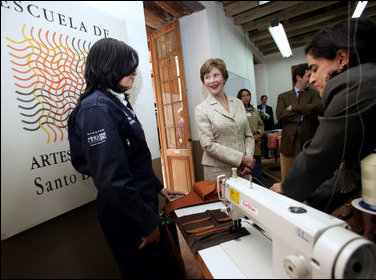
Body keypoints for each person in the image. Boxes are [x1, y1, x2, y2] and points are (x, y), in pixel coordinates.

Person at [270, 18, 376, 266]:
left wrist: (286, 191)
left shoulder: (354, 82)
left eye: (315, 68)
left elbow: (320, 154)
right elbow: (353, 171)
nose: (310, 79)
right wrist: (311, 199)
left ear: (341, 59)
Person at [67, 38, 185, 278]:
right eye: (127, 66)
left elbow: (133, 159)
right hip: (127, 214)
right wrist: (145, 223)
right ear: (108, 67)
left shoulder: (115, 102)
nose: (133, 72)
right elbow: (111, 179)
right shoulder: (96, 108)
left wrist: (157, 187)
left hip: (140, 203)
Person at [195, 58, 255, 180]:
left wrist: (248, 160)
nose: (212, 81)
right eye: (207, 77)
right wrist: (241, 159)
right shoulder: (201, 109)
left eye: (216, 75)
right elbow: (208, 145)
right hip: (217, 172)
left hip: (243, 170)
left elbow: (248, 135)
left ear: (224, 77)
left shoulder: (238, 103)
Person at [276, 63, 322, 180]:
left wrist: (294, 108)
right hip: (290, 143)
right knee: (290, 176)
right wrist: (304, 114)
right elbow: (280, 115)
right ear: (298, 77)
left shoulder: (314, 93)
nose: (311, 79)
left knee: (311, 175)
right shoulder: (283, 96)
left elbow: (317, 108)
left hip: (310, 141)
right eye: (308, 76)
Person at [237, 89, 264, 185]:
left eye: (248, 95)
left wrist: (259, 133)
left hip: (256, 145)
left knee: (257, 170)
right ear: (239, 98)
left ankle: (261, 192)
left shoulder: (254, 111)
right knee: (246, 172)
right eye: (243, 96)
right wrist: (249, 137)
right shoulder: (238, 111)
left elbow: (261, 124)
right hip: (244, 147)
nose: (246, 97)